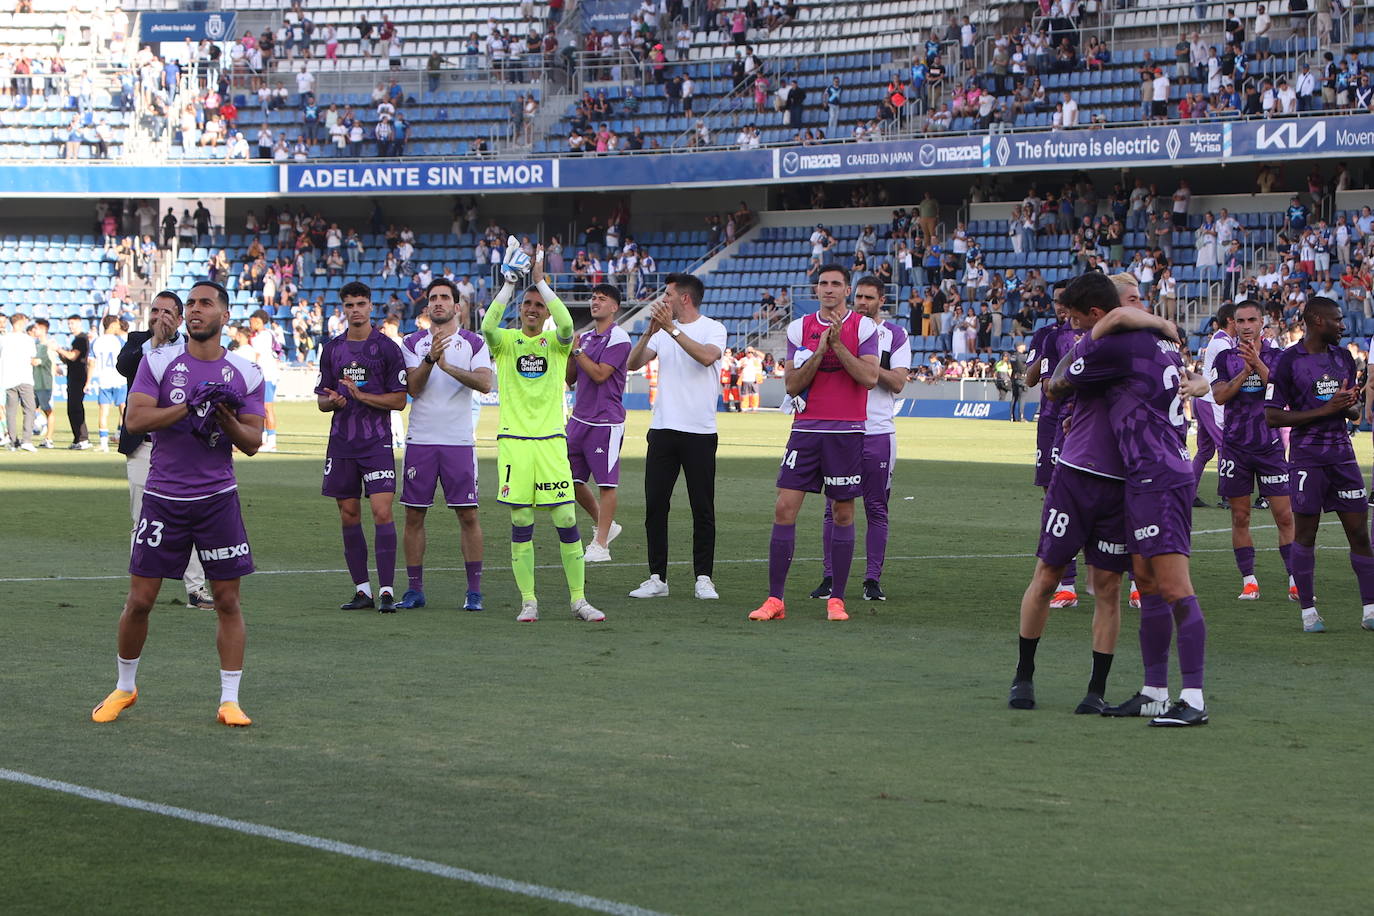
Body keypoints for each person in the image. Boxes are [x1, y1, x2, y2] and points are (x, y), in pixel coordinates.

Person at [90, 280, 265, 727]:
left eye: (205, 304)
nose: (194, 311)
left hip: (217, 499)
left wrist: (224, 417)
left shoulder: (246, 372)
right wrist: (187, 407)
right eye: (190, 304)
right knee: (140, 600)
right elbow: (136, 417)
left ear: (224, 316)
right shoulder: (158, 360)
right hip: (164, 497)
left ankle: (229, 701)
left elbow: (252, 442)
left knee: (227, 600)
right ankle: (124, 688)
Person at [1063, 275, 1213, 726]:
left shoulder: (1122, 346)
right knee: (1146, 582)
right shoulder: (1159, 342)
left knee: (1173, 585)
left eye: (1075, 317)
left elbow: (1062, 378)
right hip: (1145, 474)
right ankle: (1153, 692)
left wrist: (1104, 329)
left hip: (1160, 475)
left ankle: (1194, 699)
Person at [1008, 275, 1134, 714]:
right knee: (1047, 574)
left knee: (1108, 586)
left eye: (1078, 319)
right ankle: (1023, 676)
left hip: (1119, 482)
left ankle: (1096, 690)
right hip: (1076, 475)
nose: (1071, 326)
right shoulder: (1096, 345)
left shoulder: (1140, 348)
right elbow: (1054, 384)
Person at [481, 238, 604, 622]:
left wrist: (540, 281)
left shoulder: (556, 343)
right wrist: (510, 284)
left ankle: (579, 600)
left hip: (551, 442)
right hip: (515, 444)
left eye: (539, 306)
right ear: (520, 309)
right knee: (521, 522)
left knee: (566, 519)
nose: (533, 310)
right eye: (528, 305)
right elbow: (487, 323)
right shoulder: (504, 342)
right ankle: (529, 601)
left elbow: (567, 323)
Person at [750, 264, 880, 622]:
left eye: (836, 284)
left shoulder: (864, 327)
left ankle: (836, 600)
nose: (828, 289)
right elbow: (792, 385)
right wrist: (822, 351)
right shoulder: (800, 328)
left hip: (846, 431)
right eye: (823, 283)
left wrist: (839, 345)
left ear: (847, 290)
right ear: (816, 289)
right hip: (806, 429)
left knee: (842, 512)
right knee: (784, 508)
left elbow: (869, 377)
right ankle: (775, 599)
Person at [1267, 297, 1374, 634]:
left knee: (1359, 532)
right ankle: (1309, 612)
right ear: (1316, 320)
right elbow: (1272, 415)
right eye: (1337, 320)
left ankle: (1370, 610)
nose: (1343, 325)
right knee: (1307, 534)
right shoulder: (1288, 361)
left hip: (1342, 456)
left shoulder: (1342, 357)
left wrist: (1347, 407)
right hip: (1307, 459)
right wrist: (1326, 411)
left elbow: (1350, 413)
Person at [626, 273, 727, 601]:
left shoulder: (713, 328)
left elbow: (707, 356)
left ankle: (703, 577)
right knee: (655, 504)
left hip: (699, 431)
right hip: (663, 429)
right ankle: (657, 577)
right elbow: (632, 363)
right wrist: (650, 332)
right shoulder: (663, 332)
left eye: (668, 294)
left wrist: (670, 328)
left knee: (702, 508)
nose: (662, 299)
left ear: (685, 298)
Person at [396, 278, 493, 611]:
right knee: (413, 516)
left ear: (457, 306)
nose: (438, 303)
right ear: (427, 307)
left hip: (458, 441)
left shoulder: (474, 343)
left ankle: (474, 592)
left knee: (468, 515)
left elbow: (484, 382)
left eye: (444, 298)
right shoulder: (411, 343)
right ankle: (414, 590)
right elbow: (412, 388)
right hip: (421, 440)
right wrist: (429, 361)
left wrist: (448, 365)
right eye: (433, 298)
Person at [811, 276, 910, 602]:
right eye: (860, 297)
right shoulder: (840, 330)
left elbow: (897, 383)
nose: (863, 302)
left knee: (876, 507)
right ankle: (829, 577)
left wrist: (867, 366)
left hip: (878, 431)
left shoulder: (895, 334)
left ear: (882, 300)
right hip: (840, 429)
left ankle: (872, 580)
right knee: (832, 508)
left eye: (870, 297)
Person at [115, 291, 214, 611]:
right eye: (155, 311)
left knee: (192, 518)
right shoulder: (137, 341)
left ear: (180, 317)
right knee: (141, 519)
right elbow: (124, 366)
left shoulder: (193, 345)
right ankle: (141, 587)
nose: (159, 317)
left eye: (167, 312)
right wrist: (154, 343)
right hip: (143, 445)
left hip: (183, 447)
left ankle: (196, 589)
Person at [316, 281, 409, 612]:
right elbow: (322, 402)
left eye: (361, 304)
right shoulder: (332, 349)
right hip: (342, 443)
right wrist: (335, 401)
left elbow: (399, 400)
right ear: (343, 308)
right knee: (349, 513)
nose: (355, 309)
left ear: (371, 307)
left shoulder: (387, 348)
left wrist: (362, 396)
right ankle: (362, 590)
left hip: (376, 442)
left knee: (382, 511)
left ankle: (386, 590)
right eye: (349, 305)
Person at [1211, 300, 1296, 601]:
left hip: (1270, 446)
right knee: (1240, 516)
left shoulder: (1280, 357)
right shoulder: (1223, 358)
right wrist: (1242, 372)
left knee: (1285, 517)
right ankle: (1249, 580)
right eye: (1241, 320)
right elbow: (1220, 396)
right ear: (1233, 324)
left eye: (1252, 320)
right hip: (1235, 447)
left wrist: (1257, 365)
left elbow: (1282, 392)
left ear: (1263, 322)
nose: (1246, 325)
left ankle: (1294, 579)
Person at [1024, 288, 1085, 607]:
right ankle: (1067, 582)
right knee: (1054, 497)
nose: (1062, 307)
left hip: (1087, 421)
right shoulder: (1049, 336)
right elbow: (1037, 382)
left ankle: (1123, 578)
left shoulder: (1097, 334)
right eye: (1058, 302)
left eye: (1067, 301)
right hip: (1052, 422)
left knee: (1099, 496)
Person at [566, 282, 630, 562]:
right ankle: (607, 525)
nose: (595, 303)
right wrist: (571, 353)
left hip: (605, 421)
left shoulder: (619, 338)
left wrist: (579, 353)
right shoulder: (587, 338)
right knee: (570, 480)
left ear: (614, 307)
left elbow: (601, 375)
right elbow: (570, 379)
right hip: (579, 418)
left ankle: (601, 545)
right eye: (593, 298)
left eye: (602, 299)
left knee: (606, 484)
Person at [1193, 303, 1236, 508]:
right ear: (1230, 320)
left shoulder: (1220, 340)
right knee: (1224, 445)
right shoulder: (1223, 343)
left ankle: (1189, 492)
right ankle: (1228, 495)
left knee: (1205, 451)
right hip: (1211, 401)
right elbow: (1232, 370)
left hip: (1203, 399)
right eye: (1239, 319)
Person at [1, 312, 39, 451]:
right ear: (21, 322)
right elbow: (32, 358)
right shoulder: (27, 339)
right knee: (29, 409)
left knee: (11, 412)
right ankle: (26, 440)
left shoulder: (4, 339)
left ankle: (12, 441)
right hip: (24, 378)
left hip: (8, 379)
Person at [89, 315, 126, 451]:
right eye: (117, 324)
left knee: (103, 411)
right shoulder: (119, 341)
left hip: (104, 380)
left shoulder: (96, 342)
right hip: (119, 379)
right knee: (124, 410)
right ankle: (121, 436)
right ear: (112, 325)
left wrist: (88, 382)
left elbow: (91, 364)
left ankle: (104, 444)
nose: (119, 326)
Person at [247, 309, 281, 451]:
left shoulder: (264, 335)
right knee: (262, 408)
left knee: (267, 408)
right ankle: (265, 438)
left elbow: (257, 355)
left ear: (258, 320)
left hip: (267, 375)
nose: (250, 324)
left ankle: (272, 441)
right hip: (264, 375)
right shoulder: (263, 335)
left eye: (251, 321)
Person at [57, 314, 91, 448]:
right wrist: (61, 354)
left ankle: (83, 438)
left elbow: (73, 356)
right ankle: (77, 438)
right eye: (69, 324)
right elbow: (69, 359)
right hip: (73, 375)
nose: (70, 326)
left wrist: (58, 349)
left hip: (78, 376)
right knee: (72, 408)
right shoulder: (76, 339)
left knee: (76, 407)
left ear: (79, 323)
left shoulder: (81, 339)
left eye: (73, 323)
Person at [28, 317, 55, 448]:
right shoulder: (36, 345)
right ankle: (39, 426)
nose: (34, 330)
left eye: (36, 328)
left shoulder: (48, 346)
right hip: (35, 383)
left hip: (45, 384)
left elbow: (38, 361)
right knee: (30, 409)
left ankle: (48, 438)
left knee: (48, 410)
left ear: (44, 329)